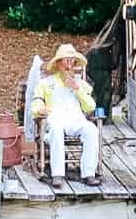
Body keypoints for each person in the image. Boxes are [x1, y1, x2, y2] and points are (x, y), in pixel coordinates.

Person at [32, 43, 101, 188]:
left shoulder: (80, 84)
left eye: (72, 61)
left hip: (76, 119)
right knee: (56, 130)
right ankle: (57, 174)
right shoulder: (46, 83)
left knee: (91, 130)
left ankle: (89, 173)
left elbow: (90, 107)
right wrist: (40, 109)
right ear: (58, 63)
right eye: (66, 60)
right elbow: (37, 101)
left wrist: (77, 89)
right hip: (56, 119)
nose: (69, 64)